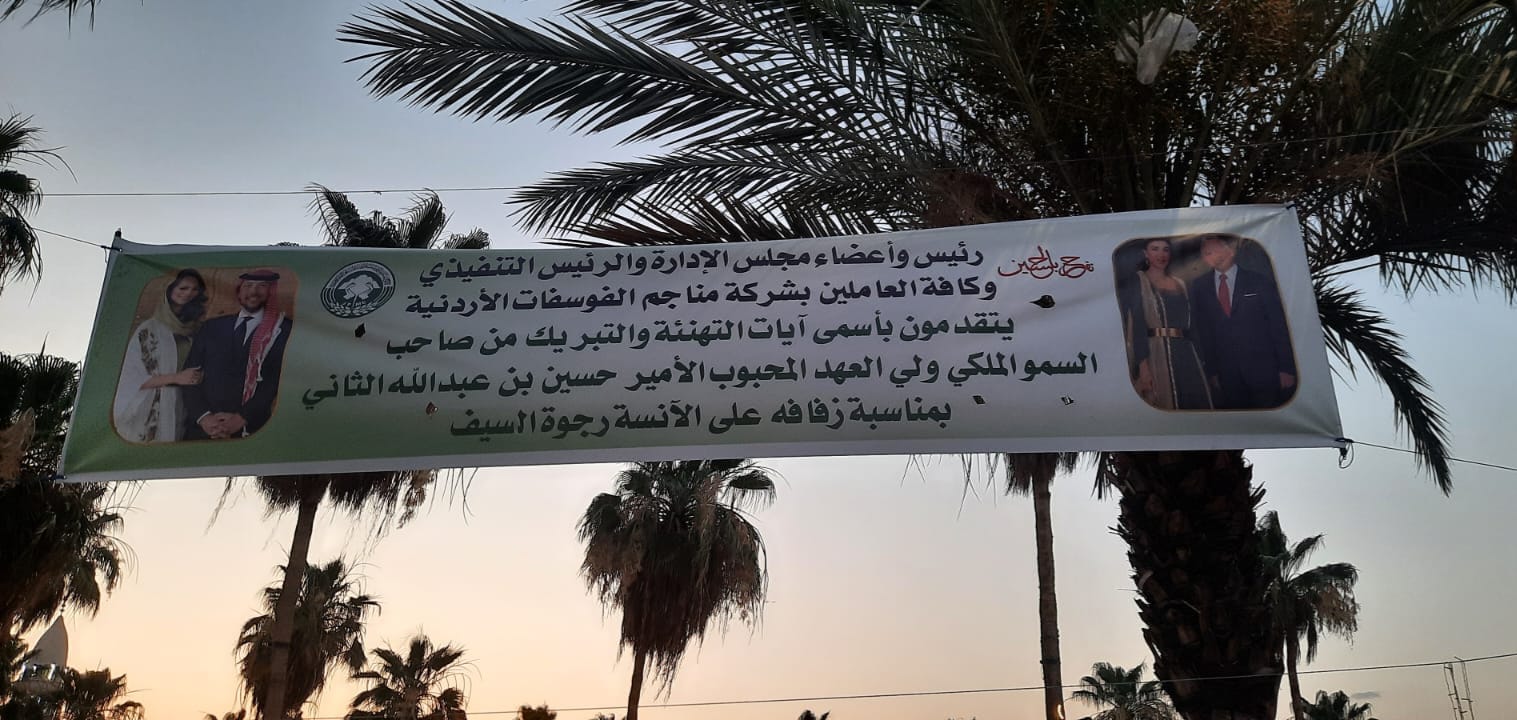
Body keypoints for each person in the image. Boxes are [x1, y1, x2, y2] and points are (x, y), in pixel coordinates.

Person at [1188, 234, 1297, 409]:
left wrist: (1286, 368)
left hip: (1265, 370)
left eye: (1212, 250)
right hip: (1227, 375)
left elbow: (1278, 325)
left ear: (1230, 251)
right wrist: (1212, 371)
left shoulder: (1258, 281)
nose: (1206, 254)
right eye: (1204, 251)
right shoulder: (1199, 286)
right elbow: (1204, 331)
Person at [183, 268, 293, 439]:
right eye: (248, 285)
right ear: (238, 291)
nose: (253, 292)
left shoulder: (283, 330)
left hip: (253, 431)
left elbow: (277, 381)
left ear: (270, 292)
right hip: (202, 430)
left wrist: (241, 418)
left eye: (262, 286)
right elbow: (189, 375)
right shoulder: (212, 327)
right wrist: (204, 417)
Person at [112, 269, 208, 442]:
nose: (188, 293)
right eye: (183, 288)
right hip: (154, 410)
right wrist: (177, 378)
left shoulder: (198, 330)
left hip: (189, 410)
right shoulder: (149, 330)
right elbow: (131, 378)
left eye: (194, 289)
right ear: (169, 289)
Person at [1121, 238, 1213, 410]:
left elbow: (1192, 325)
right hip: (1156, 353)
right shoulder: (1139, 281)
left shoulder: (1181, 283)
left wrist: (1201, 360)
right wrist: (1143, 367)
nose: (1161, 254)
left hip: (1186, 353)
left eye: (1165, 249)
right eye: (1155, 249)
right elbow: (1138, 325)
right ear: (1145, 253)